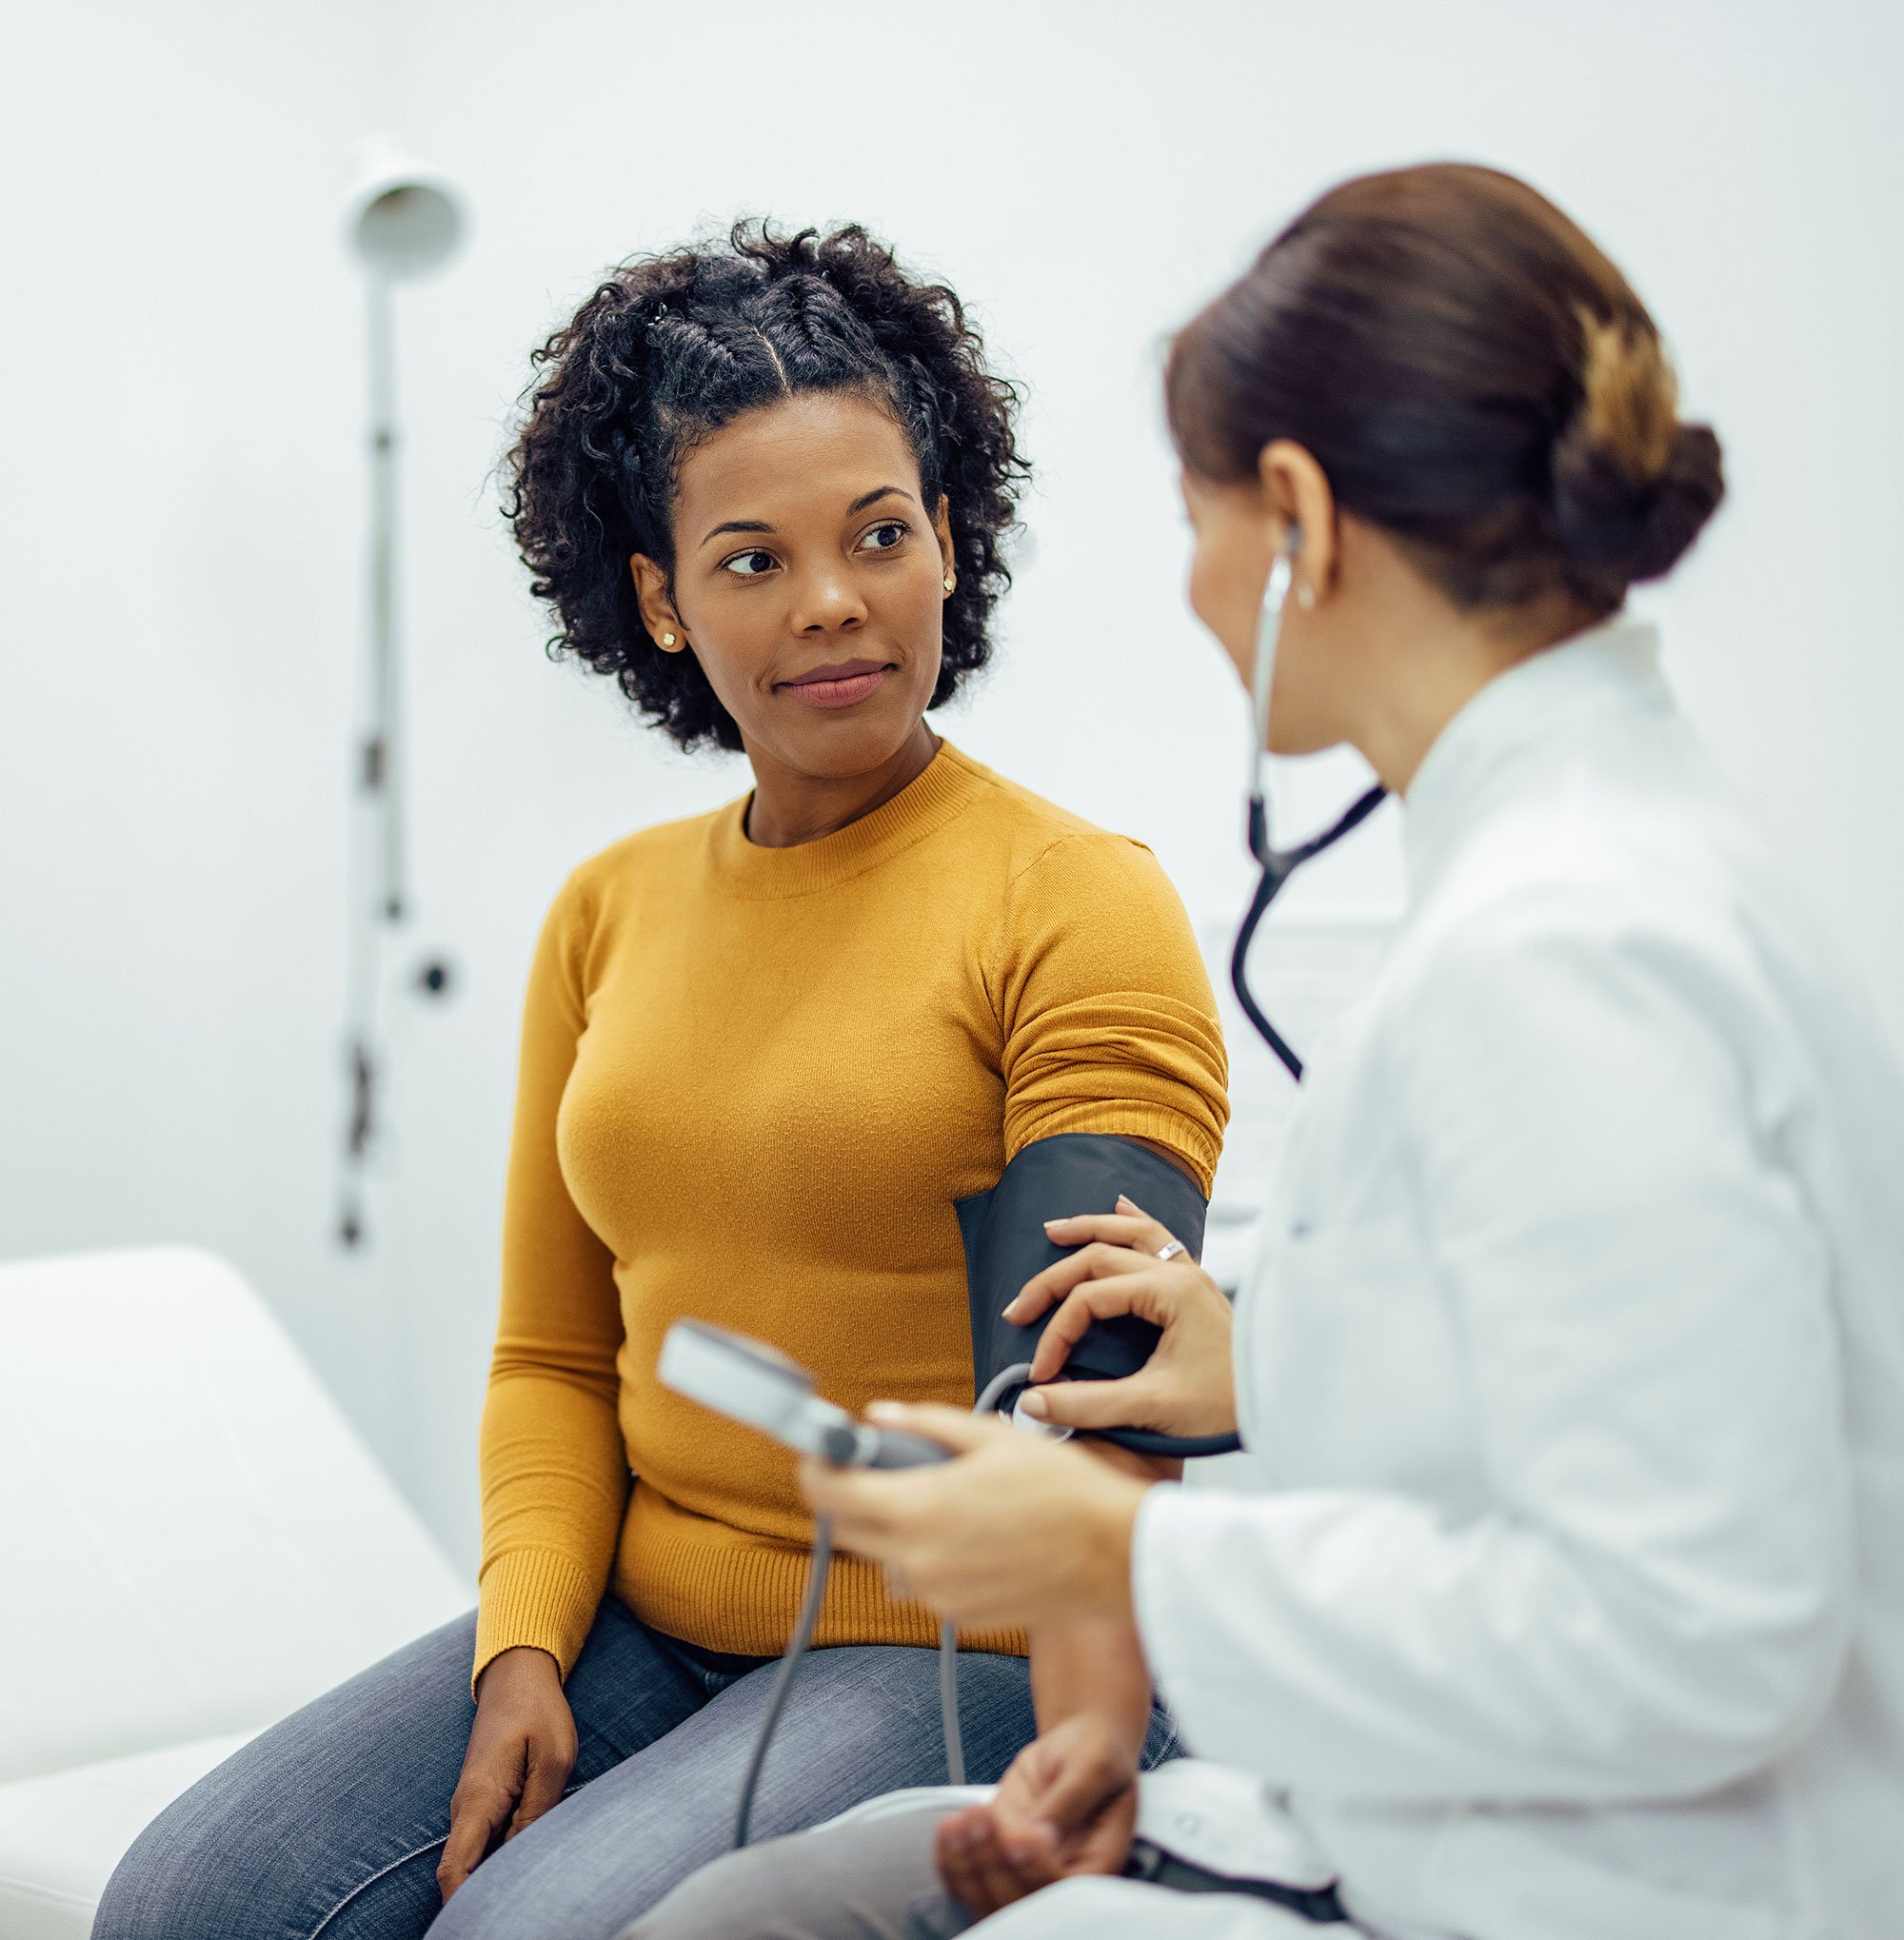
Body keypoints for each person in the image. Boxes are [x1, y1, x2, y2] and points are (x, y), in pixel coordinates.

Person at [629, 165, 1904, 1939]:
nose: (1199, 586)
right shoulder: (1608, 869)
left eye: (1198, 515)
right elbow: (1611, 1386)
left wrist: (1123, 1554)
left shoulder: (1567, 949)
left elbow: (1699, 1628)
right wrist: (1277, 1362)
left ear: (1297, 515)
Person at [91, 223, 1225, 1940]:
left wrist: (1087, 1725)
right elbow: (553, 1350)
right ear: (660, 599)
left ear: (947, 542)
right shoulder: (607, 912)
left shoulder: (1072, 899)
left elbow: (1083, 1419)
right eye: (753, 556)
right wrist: (523, 1643)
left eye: (880, 533)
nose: (832, 598)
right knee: (195, 1897)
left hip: (953, 1636)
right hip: (647, 1613)